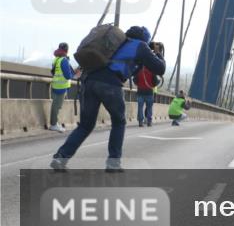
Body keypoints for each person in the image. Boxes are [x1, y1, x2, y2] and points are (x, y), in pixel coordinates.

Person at [51, 26, 166, 173]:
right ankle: (113, 163)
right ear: (144, 40)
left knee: (85, 125)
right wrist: (158, 53)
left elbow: (132, 69)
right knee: (119, 122)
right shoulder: (140, 46)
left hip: (89, 81)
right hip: (110, 84)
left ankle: (60, 157)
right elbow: (160, 69)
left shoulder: (114, 44)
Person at [48, 42, 77, 132]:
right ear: (67, 50)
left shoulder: (56, 59)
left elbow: (54, 72)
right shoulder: (64, 60)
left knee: (55, 105)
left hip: (55, 85)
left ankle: (54, 123)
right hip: (61, 87)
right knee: (57, 106)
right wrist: (75, 74)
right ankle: (53, 124)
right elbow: (68, 76)